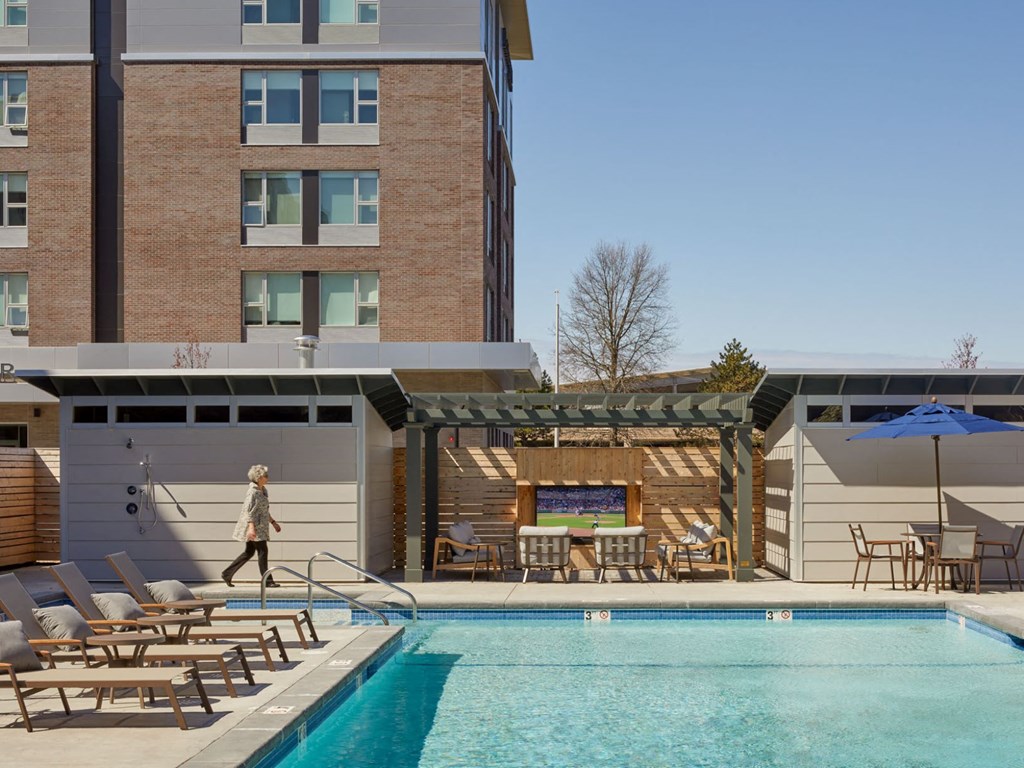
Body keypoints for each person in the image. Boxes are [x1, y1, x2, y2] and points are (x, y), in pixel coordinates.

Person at [221, 464, 282, 588]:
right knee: (262, 551)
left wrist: (273, 522)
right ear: (259, 478)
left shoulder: (263, 490)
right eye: (266, 475)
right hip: (255, 527)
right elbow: (248, 511)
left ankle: (227, 573)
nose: (268, 477)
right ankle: (268, 581)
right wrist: (251, 528)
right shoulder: (252, 492)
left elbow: (263, 510)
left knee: (249, 552)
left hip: (260, 527)